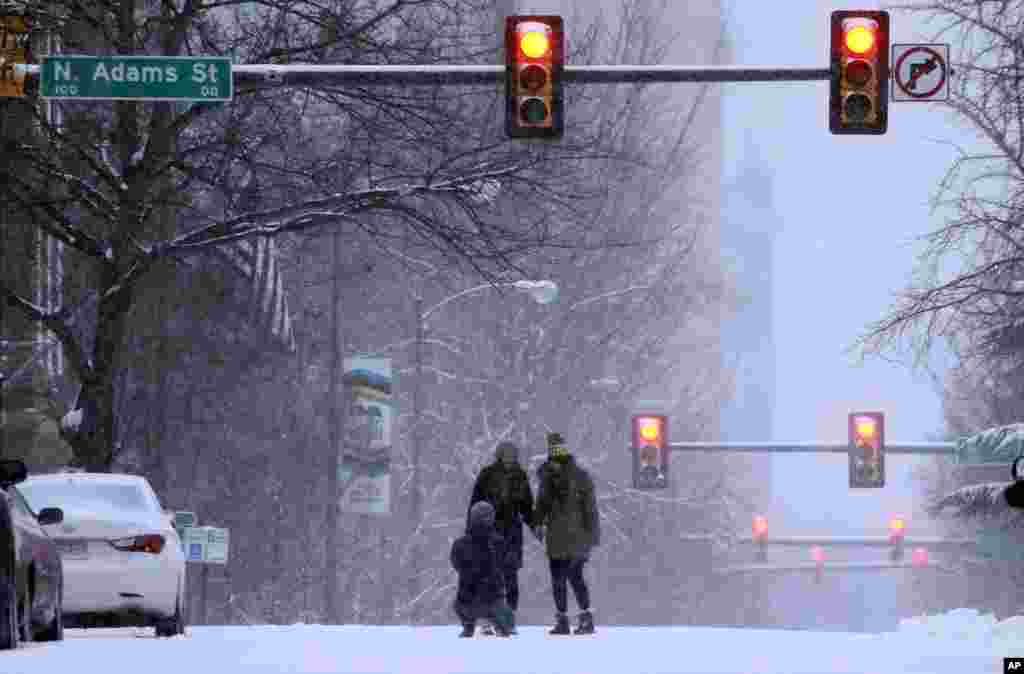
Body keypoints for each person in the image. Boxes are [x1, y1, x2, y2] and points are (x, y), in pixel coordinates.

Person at [534, 432, 601, 636]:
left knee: (566, 578)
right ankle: (577, 619)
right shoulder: (569, 476)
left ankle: (571, 620)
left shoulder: (564, 476)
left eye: (557, 448)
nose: (556, 452)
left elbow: (589, 507)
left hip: (569, 536)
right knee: (568, 578)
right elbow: (542, 505)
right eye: (553, 448)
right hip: (566, 536)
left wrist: (538, 523)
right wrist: (538, 523)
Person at [467, 440, 535, 634]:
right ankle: (487, 621)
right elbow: (474, 504)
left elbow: (527, 507)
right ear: (499, 455)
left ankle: (509, 620)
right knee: (487, 578)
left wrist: (536, 526)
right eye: (506, 455)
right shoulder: (487, 474)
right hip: (489, 532)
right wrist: (471, 531)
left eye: (512, 455)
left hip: (512, 535)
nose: (509, 459)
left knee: (511, 578)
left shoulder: (520, 476)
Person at [450, 501, 514, 638]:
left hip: (468, 598)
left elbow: (456, 564)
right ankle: (500, 624)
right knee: (505, 618)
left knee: (458, 604)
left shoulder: (460, 543)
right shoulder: (499, 542)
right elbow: (507, 564)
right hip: (494, 599)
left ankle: (468, 625)